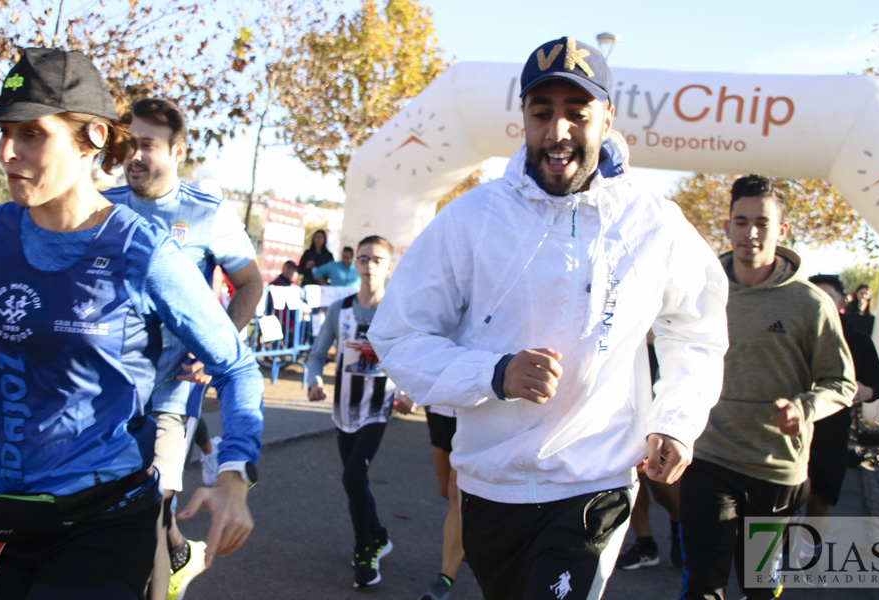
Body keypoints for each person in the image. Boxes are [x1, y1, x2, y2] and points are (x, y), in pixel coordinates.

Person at [368, 36, 730, 600]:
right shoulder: (471, 219)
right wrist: (494, 374)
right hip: (491, 488)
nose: (558, 132)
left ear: (607, 118)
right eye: (543, 114)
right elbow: (398, 333)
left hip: (595, 484)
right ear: (523, 120)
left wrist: (677, 419)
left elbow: (696, 331)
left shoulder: (651, 222)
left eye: (577, 114)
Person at [0, 48, 263, 600]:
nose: (6, 152)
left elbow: (237, 367)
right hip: (6, 514)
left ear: (91, 137)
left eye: (32, 134)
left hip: (103, 519)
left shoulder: (142, 249)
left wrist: (235, 473)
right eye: (4, 132)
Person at [102, 96, 264, 600]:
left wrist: (219, 346)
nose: (134, 155)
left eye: (146, 145)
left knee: (151, 502)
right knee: (127, 506)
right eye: (128, 143)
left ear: (177, 150)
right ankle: (179, 552)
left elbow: (251, 285)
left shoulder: (206, 212)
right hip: (112, 389)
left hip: (174, 388)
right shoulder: (104, 206)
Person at [679, 175, 856, 600]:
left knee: (759, 587)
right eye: (741, 222)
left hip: (774, 468)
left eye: (762, 222)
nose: (750, 233)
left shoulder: (810, 303)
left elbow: (842, 383)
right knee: (703, 586)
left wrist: (805, 407)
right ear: (727, 228)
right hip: (709, 457)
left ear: (782, 231)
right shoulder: (700, 290)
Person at [307, 235, 411, 588]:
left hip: (378, 409)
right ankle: (377, 535)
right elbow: (318, 353)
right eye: (363, 259)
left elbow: (412, 359)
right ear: (356, 264)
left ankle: (365, 549)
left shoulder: (397, 312)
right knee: (357, 482)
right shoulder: (342, 309)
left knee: (352, 478)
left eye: (377, 260)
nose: (369, 266)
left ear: (388, 266)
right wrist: (313, 379)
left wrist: (410, 395)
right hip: (343, 410)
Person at [805, 274, 879, 521]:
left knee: (819, 504)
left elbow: (877, 386)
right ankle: (764, 559)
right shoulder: (788, 334)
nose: (820, 303)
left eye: (827, 297)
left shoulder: (859, 342)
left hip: (831, 436)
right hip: (785, 434)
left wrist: (864, 390)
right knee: (775, 510)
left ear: (842, 301)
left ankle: (808, 558)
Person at [615, 337, 683, 571]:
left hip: (656, 375)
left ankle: (680, 530)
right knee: (629, 473)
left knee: (661, 480)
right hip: (623, 383)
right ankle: (645, 544)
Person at [418, 403, 464, 600]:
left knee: (456, 491)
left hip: (468, 409)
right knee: (445, 489)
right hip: (439, 406)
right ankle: (468, 538)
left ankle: (445, 579)